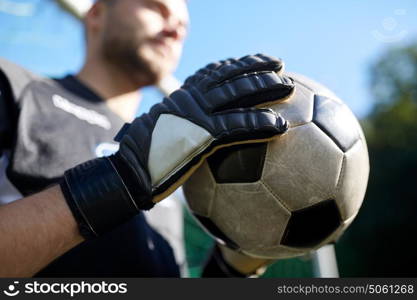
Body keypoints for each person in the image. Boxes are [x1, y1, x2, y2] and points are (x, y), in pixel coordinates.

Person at [0, 0, 294, 277]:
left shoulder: (172, 160)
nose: (175, 29)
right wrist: (120, 181)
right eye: (156, 7)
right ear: (97, 14)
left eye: (183, 26)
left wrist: (231, 268)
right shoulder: (14, 87)